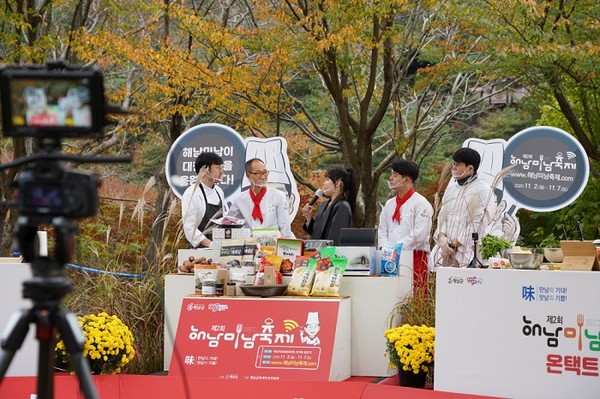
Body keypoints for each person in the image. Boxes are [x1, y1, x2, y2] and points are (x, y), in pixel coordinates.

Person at [432, 147, 496, 267]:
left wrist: (456, 244)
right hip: (445, 250)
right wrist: (442, 237)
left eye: (458, 165)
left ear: (470, 168)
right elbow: (443, 215)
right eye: (453, 164)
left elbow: (479, 222)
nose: (453, 168)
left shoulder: (483, 189)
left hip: (466, 251)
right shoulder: (451, 188)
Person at [378, 160, 433, 294]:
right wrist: (386, 249)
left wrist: (396, 249)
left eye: (395, 175)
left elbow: (418, 235)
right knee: (391, 295)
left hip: (415, 257)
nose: (390, 178)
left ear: (406, 180)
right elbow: (382, 230)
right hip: (389, 258)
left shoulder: (421, 203)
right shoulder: (389, 204)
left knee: (415, 296)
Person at [227, 158, 295, 238]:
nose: (263, 177)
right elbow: (229, 222)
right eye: (258, 173)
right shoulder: (240, 199)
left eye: (265, 172)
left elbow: (284, 225)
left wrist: (287, 243)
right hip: (250, 244)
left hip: (272, 244)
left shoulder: (278, 195)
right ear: (248, 175)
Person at [181, 152, 226, 248]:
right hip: (199, 250)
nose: (221, 172)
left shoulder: (219, 191)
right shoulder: (191, 193)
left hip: (219, 247)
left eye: (221, 168)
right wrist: (210, 244)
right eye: (217, 168)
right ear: (205, 170)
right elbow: (189, 227)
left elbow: (224, 219)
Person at [302, 168, 357, 245]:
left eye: (327, 179)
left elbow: (335, 239)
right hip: (317, 252)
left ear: (338, 183)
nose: (324, 183)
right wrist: (308, 217)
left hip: (329, 254)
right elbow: (316, 233)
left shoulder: (342, 207)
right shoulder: (323, 204)